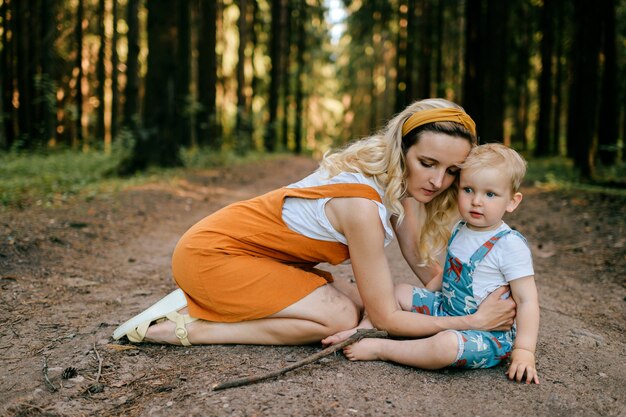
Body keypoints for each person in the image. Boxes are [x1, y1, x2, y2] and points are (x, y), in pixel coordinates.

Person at [112, 98, 516, 348]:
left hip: (251, 258)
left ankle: (210, 305)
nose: (437, 181)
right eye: (427, 164)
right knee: (341, 316)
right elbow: (388, 319)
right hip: (211, 255)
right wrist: (474, 322)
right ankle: (192, 329)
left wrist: (471, 292)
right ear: (401, 150)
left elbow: (419, 258)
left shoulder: (398, 186)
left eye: (451, 172)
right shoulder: (362, 205)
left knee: (359, 304)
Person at [336, 143, 540, 384]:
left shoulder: (509, 245)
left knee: (445, 345)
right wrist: (420, 297)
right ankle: (363, 330)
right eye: (468, 190)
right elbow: (448, 274)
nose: (476, 201)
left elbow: (527, 300)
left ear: (512, 202)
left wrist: (524, 350)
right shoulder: (462, 228)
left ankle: (382, 349)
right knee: (399, 291)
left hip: (488, 333)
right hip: (448, 309)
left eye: (490, 194)